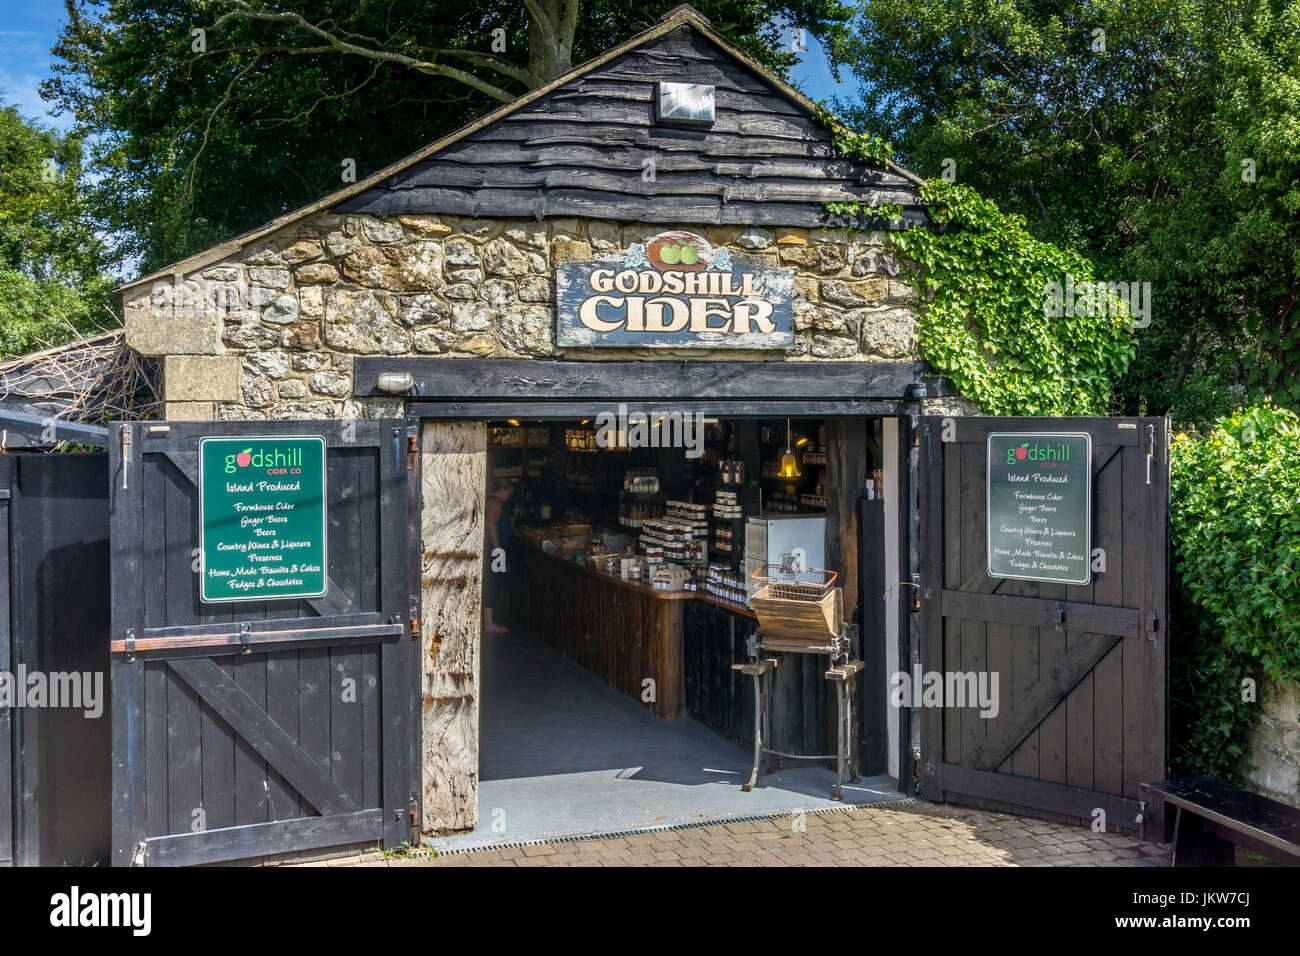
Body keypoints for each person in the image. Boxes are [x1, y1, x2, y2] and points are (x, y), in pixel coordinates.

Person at [483, 477, 515, 634]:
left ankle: (487, 620)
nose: (509, 496)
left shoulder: (487, 500)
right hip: (494, 549)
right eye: (509, 492)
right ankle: (489, 622)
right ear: (502, 489)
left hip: (490, 549)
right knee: (493, 581)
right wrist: (498, 550)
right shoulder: (496, 504)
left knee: (490, 580)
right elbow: (491, 524)